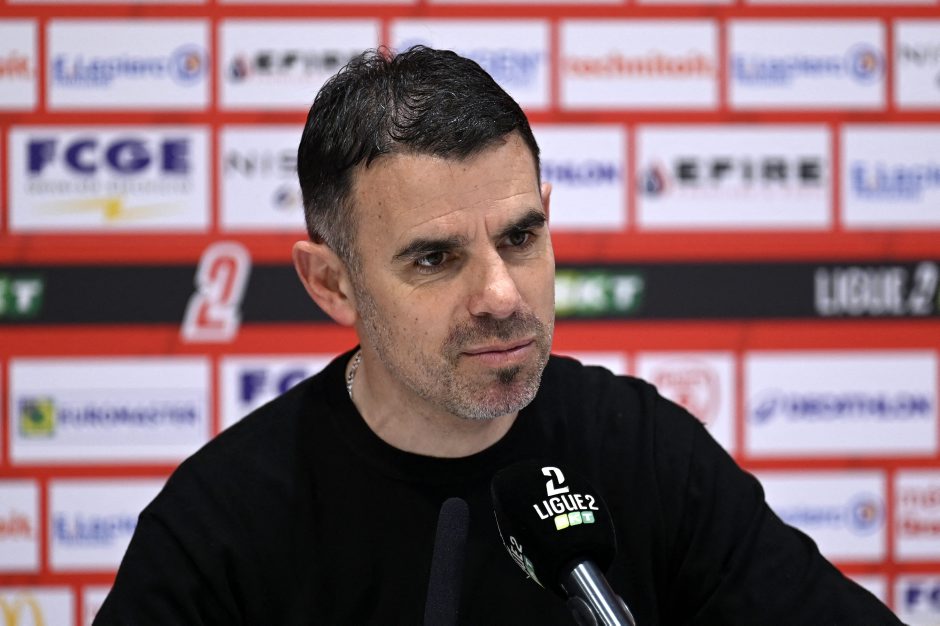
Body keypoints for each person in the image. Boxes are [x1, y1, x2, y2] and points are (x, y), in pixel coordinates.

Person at [95, 46, 903, 625]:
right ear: (331, 283)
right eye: (435, 258)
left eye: (520, 238)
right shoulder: (221, 523)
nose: (500, 295)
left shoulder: (644, 450)